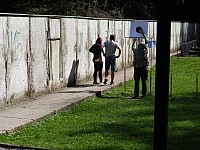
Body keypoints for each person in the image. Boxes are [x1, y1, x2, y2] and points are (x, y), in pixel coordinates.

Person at [132, 29, 149, 98]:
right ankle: (144, 94)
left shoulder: (136, 51)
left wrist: (134, 41)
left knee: (136, 82)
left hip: (137, 68)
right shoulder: (145, 51)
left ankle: (136, 94)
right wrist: (143, 34)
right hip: (144, 68)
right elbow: (147, 42)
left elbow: (132, 47)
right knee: (144, 81)